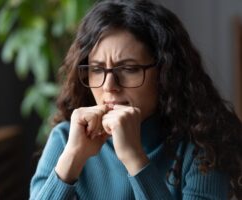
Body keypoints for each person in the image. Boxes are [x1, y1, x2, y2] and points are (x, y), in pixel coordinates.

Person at [30, 0, 242, 199]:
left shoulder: (203, 145)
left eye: (129, 69)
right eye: (96, 69)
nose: (108, 86)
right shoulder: (66, 139)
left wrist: (135, 158)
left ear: (165, 73)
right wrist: (72, 158)